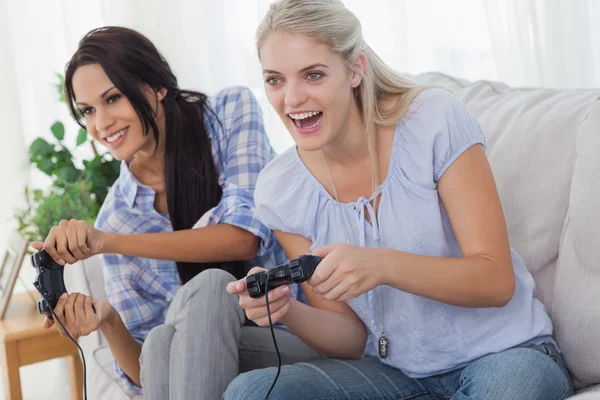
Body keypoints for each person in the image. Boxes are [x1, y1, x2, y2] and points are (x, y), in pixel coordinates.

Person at [223, 1, 574, 399]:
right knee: (252, 392)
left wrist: (381, 265)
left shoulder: (432, 120)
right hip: (400, 374)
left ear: (355, 69)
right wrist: (286, 310)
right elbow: (351, 339)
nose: (292, 98)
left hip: (505, 355)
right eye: (275, 80)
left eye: (313, 75)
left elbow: (495, 281)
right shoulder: (281, 189)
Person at [32, 26, 321, 399]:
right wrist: (107, 319)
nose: (101, 123)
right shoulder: (118, 215)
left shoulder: (229, 115)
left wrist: (108, 242)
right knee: (157, 343)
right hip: (196, 367)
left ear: (157, 86)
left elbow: (243, 238)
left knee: (213, 286)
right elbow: (143, 374)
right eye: (88, 110)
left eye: (113, 98)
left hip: (291, 342)